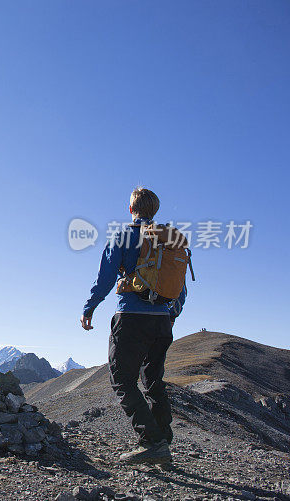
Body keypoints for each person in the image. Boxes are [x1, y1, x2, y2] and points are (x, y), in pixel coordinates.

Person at [80, 187, 187, 464]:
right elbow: (180, 289)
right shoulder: (170, 240)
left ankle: (152, 443)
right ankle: (162, 440)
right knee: (153, 381)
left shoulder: (124, 235)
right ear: (155, 210)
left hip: (131, 318)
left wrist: (89, 308)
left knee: (122, 380)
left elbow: (105, 277)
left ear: (131, 209)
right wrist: (170, 314)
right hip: (162, 322)